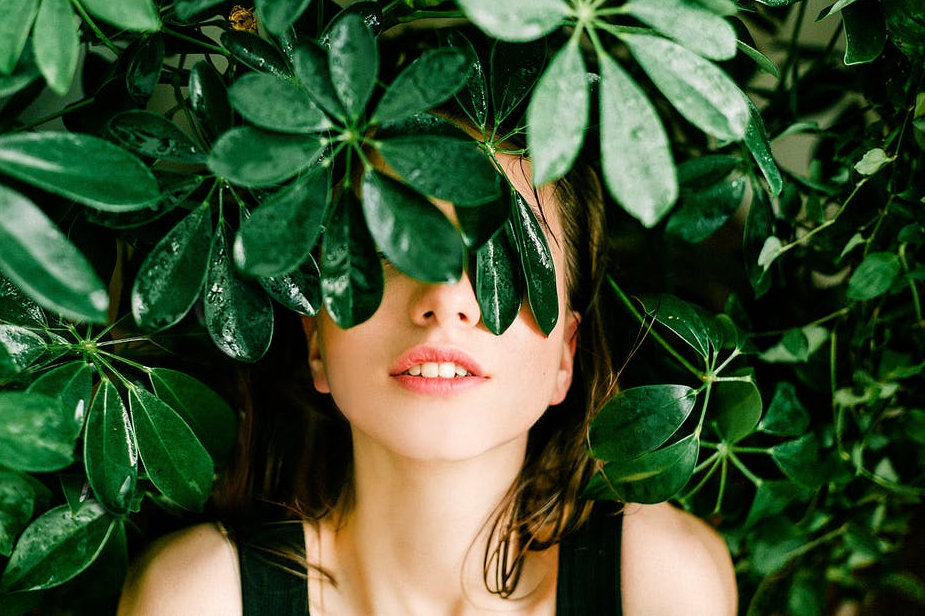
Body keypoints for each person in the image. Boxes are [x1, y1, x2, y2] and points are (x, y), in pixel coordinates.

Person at [117, 103, 737, 614]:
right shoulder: (199, 597)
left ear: (565, 357)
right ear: (316, 339)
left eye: (507, 261)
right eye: (395, 245)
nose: (445, 301)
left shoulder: (658, 583)